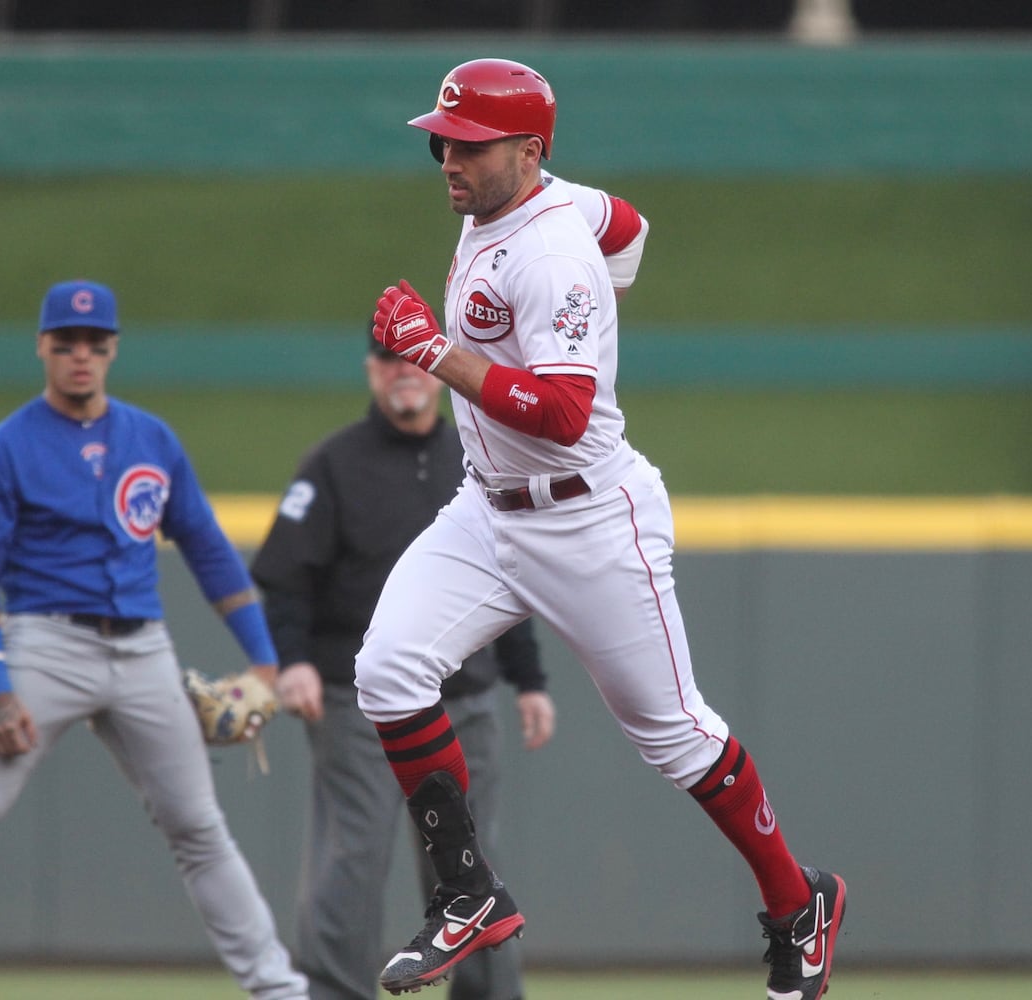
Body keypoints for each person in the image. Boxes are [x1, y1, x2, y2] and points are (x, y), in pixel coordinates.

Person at [357, 58, 847, 1000]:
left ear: (527, 149)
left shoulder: (548, 252)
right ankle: (468, 894)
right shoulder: (543, 207)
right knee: (386, 670)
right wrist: (602, 296)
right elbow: (629, 224)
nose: (446, 157)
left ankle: (798, 901)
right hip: (487, 508)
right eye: (439, 141)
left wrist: (435, 353)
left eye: (466, 144)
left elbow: (563, 413)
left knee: (676, 740)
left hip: (587, 518)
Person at [0, 279, 309, 1000]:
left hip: (143, 649)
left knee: (198, 826)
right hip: (43, 647)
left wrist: (265, 660)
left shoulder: (151, 439)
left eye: (95, 344)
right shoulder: (2, 449)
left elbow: (209, 550)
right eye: (66, 344)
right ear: (42, 348)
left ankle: (278, 989)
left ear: (114, 349)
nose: (81, 356)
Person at [249, 334, 557, 1000]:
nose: (404, 373)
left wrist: (528, 681)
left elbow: (509, 574)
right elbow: (283, 578)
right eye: (389, 360)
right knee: (349, 861)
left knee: (474, 865)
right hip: (354, 704)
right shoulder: (332, 463)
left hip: (464, 699)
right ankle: (333, 993)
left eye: (416, 359)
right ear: (370, 370)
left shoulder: (477, 452)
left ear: (440, 373)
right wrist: (292, 662)